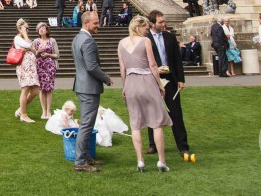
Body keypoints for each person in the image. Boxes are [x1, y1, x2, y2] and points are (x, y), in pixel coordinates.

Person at [118, 16, 172, 172]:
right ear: (139, 27)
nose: (147, 31)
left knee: (135, 124)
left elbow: (122, 70)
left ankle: (140, 161)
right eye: (146, 28)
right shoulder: (145, 41)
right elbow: (153, 65)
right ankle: (161, 161)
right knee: (156, 123)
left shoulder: (121, 43)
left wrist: (124, 86)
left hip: (130, 84)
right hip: (147, 81)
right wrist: (160, 85)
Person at [145, 10, 191, 161]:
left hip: (170, 79)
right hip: (152, 79)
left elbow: (177, 60)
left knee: (175, 112)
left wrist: (180, 79)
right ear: (152, 23)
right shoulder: (145, 39)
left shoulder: (170, 37)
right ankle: (152, 144)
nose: (164, 24)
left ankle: (183, 145)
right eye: (160, 22)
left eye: (164, 21)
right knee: (152, 112)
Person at [71, 11, 113, 173]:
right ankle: (80, 161)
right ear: (86, 23)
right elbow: (91, 66)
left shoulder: (77, 38)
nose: (98, 25)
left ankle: (85, 156)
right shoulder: (87, 41)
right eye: (95, 23)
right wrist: (106, 78)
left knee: (86, 124)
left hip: (82, 86)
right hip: (88, 87)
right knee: (86, 125)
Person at [13, 19, 39, 123]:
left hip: (31, 66)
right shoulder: (17, 38)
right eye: (26, 28)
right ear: (21, 29)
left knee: (35, 91)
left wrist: (29, 47)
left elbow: (33, 49)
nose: (28, 30)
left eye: (28, 28)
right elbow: (29, 45)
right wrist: (24, 34)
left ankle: (20, 109)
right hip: (24, 66)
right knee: (25, 89)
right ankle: (23, 115)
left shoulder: (23, 39)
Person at [33, 22, 59, 119]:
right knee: (41, 90)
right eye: (40, 28)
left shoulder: (52, 40)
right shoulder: (36, 41)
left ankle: (48, 111)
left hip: (50, 67)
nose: (41, 29)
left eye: (43, 28)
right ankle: (43, 111)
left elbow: (57, 55)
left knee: (49, 90)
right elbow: (33, 55)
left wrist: (48, 55)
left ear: (47, 30)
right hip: (39, 67)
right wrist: (38, 52)